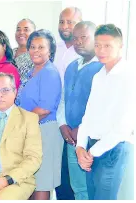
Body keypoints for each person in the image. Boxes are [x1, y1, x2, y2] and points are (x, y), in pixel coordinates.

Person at [76, 24, 135, 200]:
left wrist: (90, 153)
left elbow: (123, 126)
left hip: (113, 149)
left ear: (120, 47)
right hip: (91, 148)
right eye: (98, 45)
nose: (101, 50)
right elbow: (88, 116)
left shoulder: (129, 75)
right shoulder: (99, 76)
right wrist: (80, 147)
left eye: (107, 45)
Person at [56, 21, 103, 200]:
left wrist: (82, 129)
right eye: (75, 38)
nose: (79, 42)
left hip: (92, 139)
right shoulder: (71, 67)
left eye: (84, 37)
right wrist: (62, 125)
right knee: (78, 187)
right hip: (71, 139)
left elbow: (100, 107)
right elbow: (63, 100)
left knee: (93, 187)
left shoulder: (102, 68)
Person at [18, 29, 62, 200]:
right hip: (32, 130)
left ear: (50, 50)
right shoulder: (32, 72)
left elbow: (44, 109)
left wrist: (21, 125)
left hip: (45, 131)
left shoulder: (50, 72)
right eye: (32, 47)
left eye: (41, 47)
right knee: (31, 180)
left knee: (42, 181)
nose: (35, 51)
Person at [54, 7, 82, 200]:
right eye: (62, 21)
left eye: (70, 22)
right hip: (54, 119)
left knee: (76, 178)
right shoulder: (55, 47)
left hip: (75, 123)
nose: (65, 26)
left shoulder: (84, 52)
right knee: (59, 175)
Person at [13, 19, 36, 105]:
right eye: (18, 29)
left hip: (25, 106)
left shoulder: (35, 57)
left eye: (26, 29)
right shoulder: (9, 53)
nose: (21, 32)